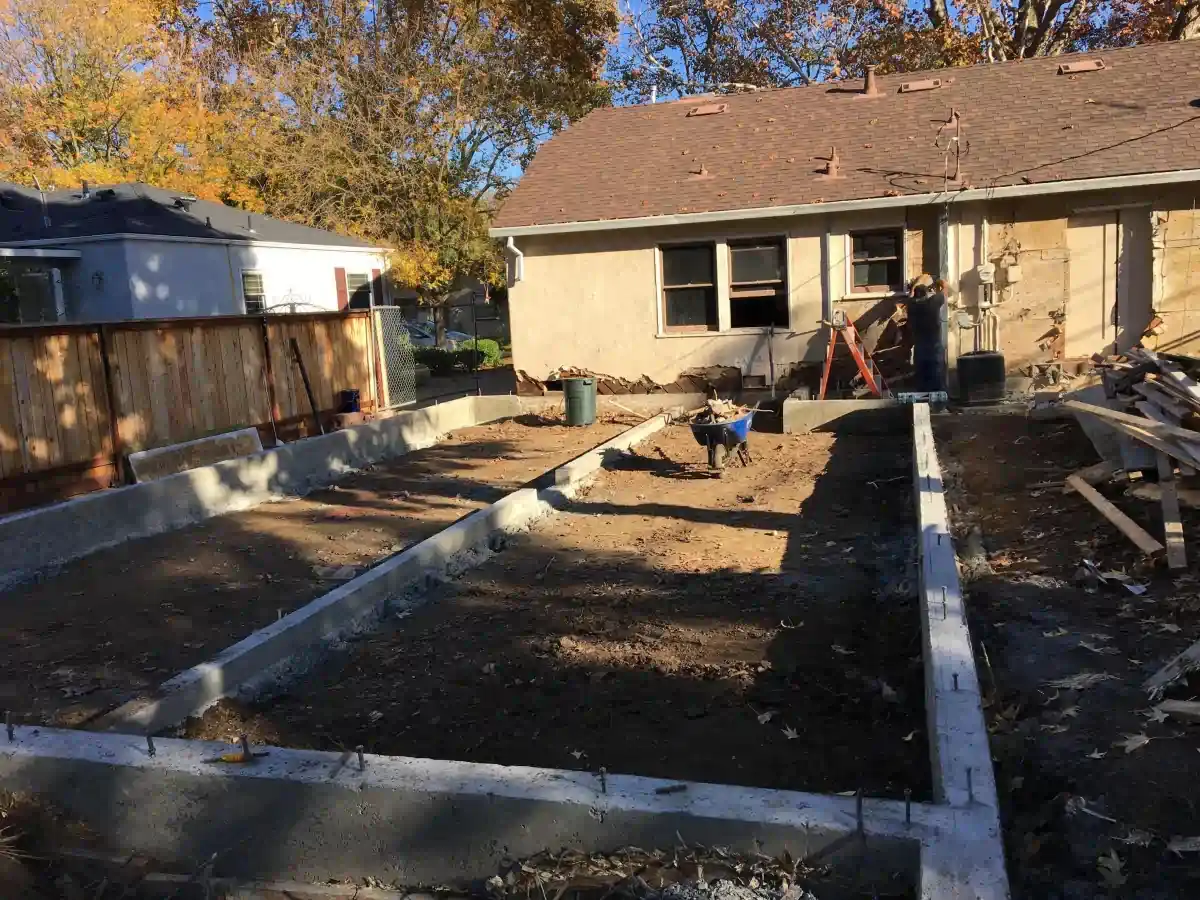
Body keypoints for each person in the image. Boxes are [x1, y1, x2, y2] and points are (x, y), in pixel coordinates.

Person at [905, 274, 945, 392]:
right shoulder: (933, 303)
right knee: (936, 371)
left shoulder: (911, 305)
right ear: (927, 294)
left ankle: (922, 396)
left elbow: (911, 293)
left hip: (919, 344)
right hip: (934, 344)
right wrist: (939, 281)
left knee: (921, 372)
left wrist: (917, 282)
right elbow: (945, 289)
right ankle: (937, 397)